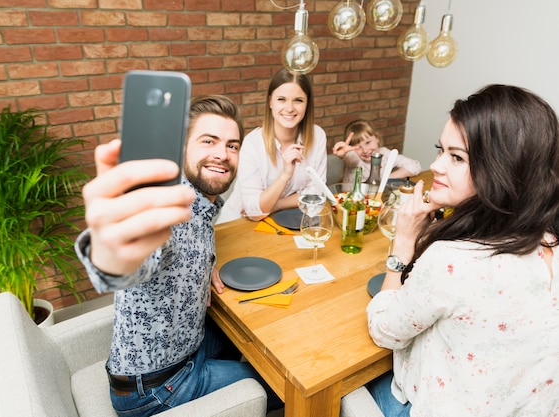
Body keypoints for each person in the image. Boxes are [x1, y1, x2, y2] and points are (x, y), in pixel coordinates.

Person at [75, 95, 280, 416]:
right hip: (154, 389)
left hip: (186, 348)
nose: (222, 154)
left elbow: (193, 242)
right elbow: (132, 260)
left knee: (257, 332)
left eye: (232, 146)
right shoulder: (167, 209)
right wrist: (109, 253)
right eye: (208, 141)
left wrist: (206, 265)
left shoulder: (203, 200)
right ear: (181, 147)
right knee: (282, 382)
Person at [364, 84, 559, 416]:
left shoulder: (453, 262)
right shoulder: (549, 240)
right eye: (441, 150)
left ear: (503, 169)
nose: (436, 166)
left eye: (456, 157)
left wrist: (402, 246)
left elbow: (384, 330)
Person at [216, 67, 327, 223]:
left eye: (298, 100)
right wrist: (285, 175)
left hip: (282, 220)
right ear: (270, 102)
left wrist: (277, 205)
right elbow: (254, 212)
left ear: (307, 104)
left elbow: (316, 195)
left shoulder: (318, 136)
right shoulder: (252, 143)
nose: (289, 108)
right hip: (238, 223)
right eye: (281, 99)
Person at [332, 119, 421, 183]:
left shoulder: (385, 153)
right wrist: (342, 151)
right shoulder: (355, 160)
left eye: (368, 142)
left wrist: (385, 179)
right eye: (358, 147)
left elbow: (415, 166)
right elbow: (347, 155)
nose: (365, 150)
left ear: (377, 138)